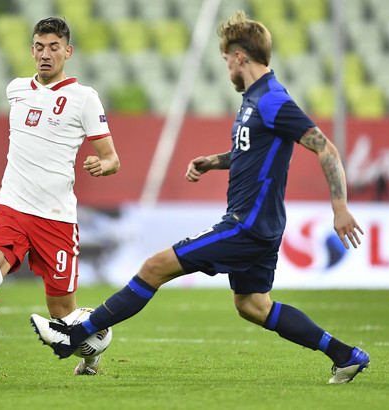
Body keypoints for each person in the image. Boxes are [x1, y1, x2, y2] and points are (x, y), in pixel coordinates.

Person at [30, 10, 370, 384]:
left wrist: (340, 208)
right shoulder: (257, 98)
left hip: (247, 225)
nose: (226, 69)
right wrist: (214, 162)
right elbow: (253, 150)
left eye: (227, 59)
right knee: (253, 305)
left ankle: (74, 337)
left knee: (154, 267)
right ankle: (345, 355)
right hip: (261, 224)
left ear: (240, 56)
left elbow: (326, 149)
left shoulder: (272, 99)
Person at [0, 17, 120, 378]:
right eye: (39, 47)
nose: (46, 54)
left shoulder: (84, 98)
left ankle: (91, 357)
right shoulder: (16, 89)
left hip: (55, 217)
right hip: (10, 207)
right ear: (32, 50)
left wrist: (101, 166)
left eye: (54, 47)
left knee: (62, 311)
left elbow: (112, 158)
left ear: (67, 52)